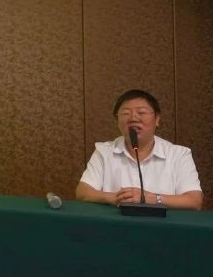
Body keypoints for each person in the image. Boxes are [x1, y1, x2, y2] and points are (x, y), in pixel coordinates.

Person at [75, 89, 203, 210]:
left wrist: (153, 199)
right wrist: (115, 198)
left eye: (141, 112)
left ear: (157, 119)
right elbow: (83, 192)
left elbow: (194, 200)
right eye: (125, 113)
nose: (133, 118)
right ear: (117, 120)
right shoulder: (104, 151)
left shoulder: (179, 154)